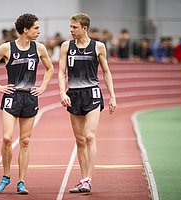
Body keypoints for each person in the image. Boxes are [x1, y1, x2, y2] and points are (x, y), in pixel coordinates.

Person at [0, 13, 54, 194]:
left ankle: (21, 181)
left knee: (25, 141)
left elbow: (50, 67)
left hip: (29, 97)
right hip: (11, 97)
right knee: (7, 138)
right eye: (36, 28)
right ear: (25, 30)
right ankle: (6, 176)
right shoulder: (7, 48)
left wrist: (44, 86)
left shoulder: (39, 49)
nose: (39, 31)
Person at [58, 13, 117, 193]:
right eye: (70, 27)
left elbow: (106, 73)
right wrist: (62, 92)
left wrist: (112, 97)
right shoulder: (66, 46)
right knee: (80, 140)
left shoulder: (98, 46)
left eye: (74, 27)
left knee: (90, 136)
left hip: (92, 93)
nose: (71, 30)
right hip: (74, 95)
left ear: (84, 28)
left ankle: (89, 180)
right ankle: (83, 179)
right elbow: (61, 72)